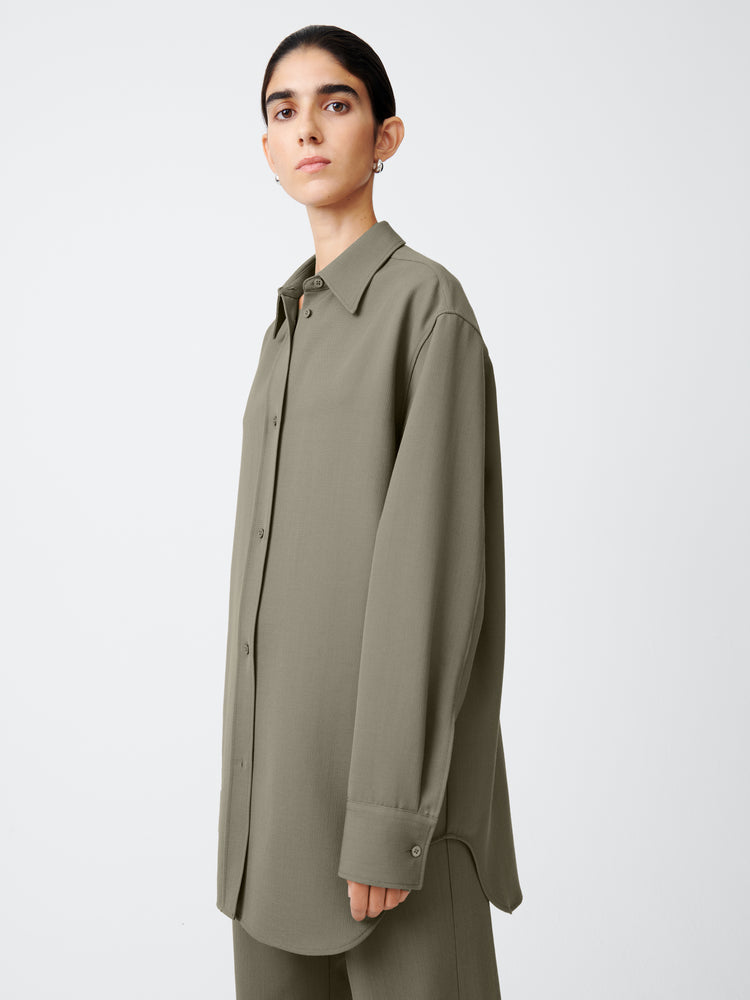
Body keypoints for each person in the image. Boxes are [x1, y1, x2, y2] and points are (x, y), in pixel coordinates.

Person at [216, 24, 523, 999]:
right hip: (273, 830)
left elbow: (430, 583)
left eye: (335, 103)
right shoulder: (286, 328)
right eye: (284, 110)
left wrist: (389, 819)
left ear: (386, 135)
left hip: (389, 828)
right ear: (268, 149)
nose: (307, 128)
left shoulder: (428, 310)